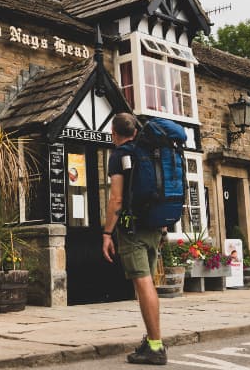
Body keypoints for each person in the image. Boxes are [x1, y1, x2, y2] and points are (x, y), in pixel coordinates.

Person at [102, 113, 167, 365]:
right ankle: (152, 339)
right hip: (154, 227)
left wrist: (107, 233)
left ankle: (156, 346)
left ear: (114, 132)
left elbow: (116, 199)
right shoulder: (149, 152)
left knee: (143, 284)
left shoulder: (118, 155)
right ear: (136, 132)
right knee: (147, 284)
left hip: (133, 230)